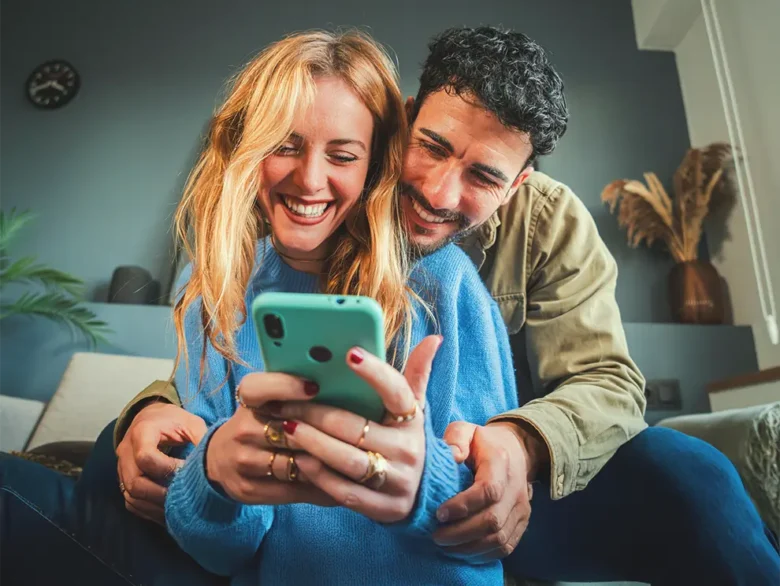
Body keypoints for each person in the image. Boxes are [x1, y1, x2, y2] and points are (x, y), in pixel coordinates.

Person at [2, 25, 778, 586]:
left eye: (483, 176)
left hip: (510, 480)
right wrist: (157, 415)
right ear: (400, 119)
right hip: (295, 506)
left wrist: (515, 444)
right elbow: (227, 338)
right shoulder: (295, 201)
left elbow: (609, 381)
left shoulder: (527, 238)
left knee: (690, 472)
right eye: (432, 146)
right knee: (117, 453)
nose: (440, 193)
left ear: (520, 185)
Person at [1, 29, 520, 586]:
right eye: (285, 145)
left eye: (342, 155)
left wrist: (422, 482)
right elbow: (223, 552)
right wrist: (215, 476)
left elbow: (493, 529)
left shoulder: (443, 284)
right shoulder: (219, 288)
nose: (309, 180)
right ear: (247, 148)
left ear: (374, 166)